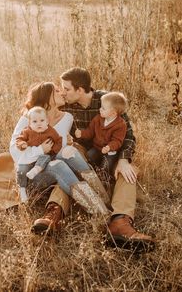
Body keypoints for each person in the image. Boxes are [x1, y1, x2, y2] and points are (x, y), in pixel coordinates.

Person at [37, 68, 154, 249]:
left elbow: (128, 134)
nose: (63, 92)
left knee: (128, 172)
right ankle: (54, 213)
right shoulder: (65, 105)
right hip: (81, 151)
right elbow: (40, 111)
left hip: (109, 152)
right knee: (67, 163)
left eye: (67, 89)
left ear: (81, 90)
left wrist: (124, 159)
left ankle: (119, 223)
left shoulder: (107, 100)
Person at [10, 81, 110, 233]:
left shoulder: (67, 118)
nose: (62, 92)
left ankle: (104, 201)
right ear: (46, 97)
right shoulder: (28, 119)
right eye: (57, 91)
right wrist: (39, 150)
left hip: (51, 161)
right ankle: (99, 212)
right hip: (33, 173)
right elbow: (14, 151)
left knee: (70, 151)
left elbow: (59, 147)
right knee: (59, 165)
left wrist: (67, 147)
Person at [16, 106, 63, 202]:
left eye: (42, 120)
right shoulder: (27, 131)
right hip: (29, 157)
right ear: (29, 124)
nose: (39, 124)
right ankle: (22, 189)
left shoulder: (51, 131)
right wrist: (22, 144)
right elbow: (19, 139)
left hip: (44, 156)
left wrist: (54, 149)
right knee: (21, 170)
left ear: (47, 121)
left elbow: (59, 141)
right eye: (35, 122)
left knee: (45, 157)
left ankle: (36, 170)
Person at [75, 91, 127, 177]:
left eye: (103, 108)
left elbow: (117, 141)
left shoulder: (120, 125)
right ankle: (92, 172)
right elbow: (90, 131)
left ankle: (104, 178)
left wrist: (109, 147)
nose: (100, 109)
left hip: (110, 152)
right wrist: (81, 134)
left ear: (113, 113)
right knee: (89, 156)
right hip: (97, 148)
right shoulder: (98, 118)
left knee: (107, 164)